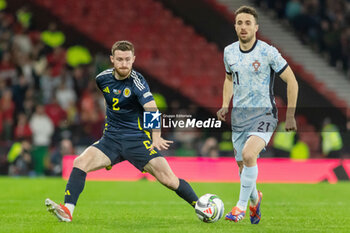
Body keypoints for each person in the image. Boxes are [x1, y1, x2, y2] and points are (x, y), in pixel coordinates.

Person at [45, 40, 198, 222]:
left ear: (133, 59)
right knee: (80, 162)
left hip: (137, 141)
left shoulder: (138, 82)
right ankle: (67, 211)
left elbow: (151, 108)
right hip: (111, 140)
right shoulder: (101, 79)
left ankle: (200, 206)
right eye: (120, 59)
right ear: (112, 59)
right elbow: (111, 102)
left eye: (127, 59)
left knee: (169, 180)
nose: (124, 64)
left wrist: (155, 136)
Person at [216, 6, 298, 224]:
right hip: (239, 118)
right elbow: (228, 79)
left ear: (256, 27)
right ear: (235, 26)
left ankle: (240, 207)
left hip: (265, 115)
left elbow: (292, 81)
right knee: (243, 167)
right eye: (240, 23)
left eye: (248, 23)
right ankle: (254, 199)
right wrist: (225, 103)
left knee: (249, 155)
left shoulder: (268, 52)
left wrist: (290, 115)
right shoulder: (229, 52)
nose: (243, 27)